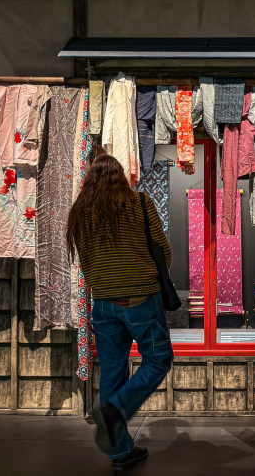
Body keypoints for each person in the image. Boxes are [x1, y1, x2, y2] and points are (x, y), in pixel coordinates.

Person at [66, 147, 173, 471]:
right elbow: (163, 252)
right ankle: (117, 408)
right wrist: (147, 278)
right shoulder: (140, 203)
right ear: (121, 177)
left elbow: (85, 263)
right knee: (159, 360)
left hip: (104, 304)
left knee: (112, 373)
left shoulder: (80, 213)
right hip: (142, 300)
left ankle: (120, 453)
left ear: (90, 180)